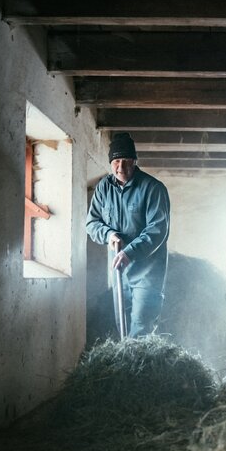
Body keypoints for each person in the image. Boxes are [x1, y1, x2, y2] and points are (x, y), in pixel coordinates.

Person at [86, 133, 171, 337]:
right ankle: (126, 362)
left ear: (135, 161)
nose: (120, 167)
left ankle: (137, 367)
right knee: (121, 323)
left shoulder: (153, 188)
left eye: (126, 161)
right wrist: (109, 235)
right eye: (116, 161)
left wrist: (129, 253)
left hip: (147, 272)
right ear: (111, 163)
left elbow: (157, 230)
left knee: (141, 325)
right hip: (118, 271)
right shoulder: (103, 189)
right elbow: (92, 223)